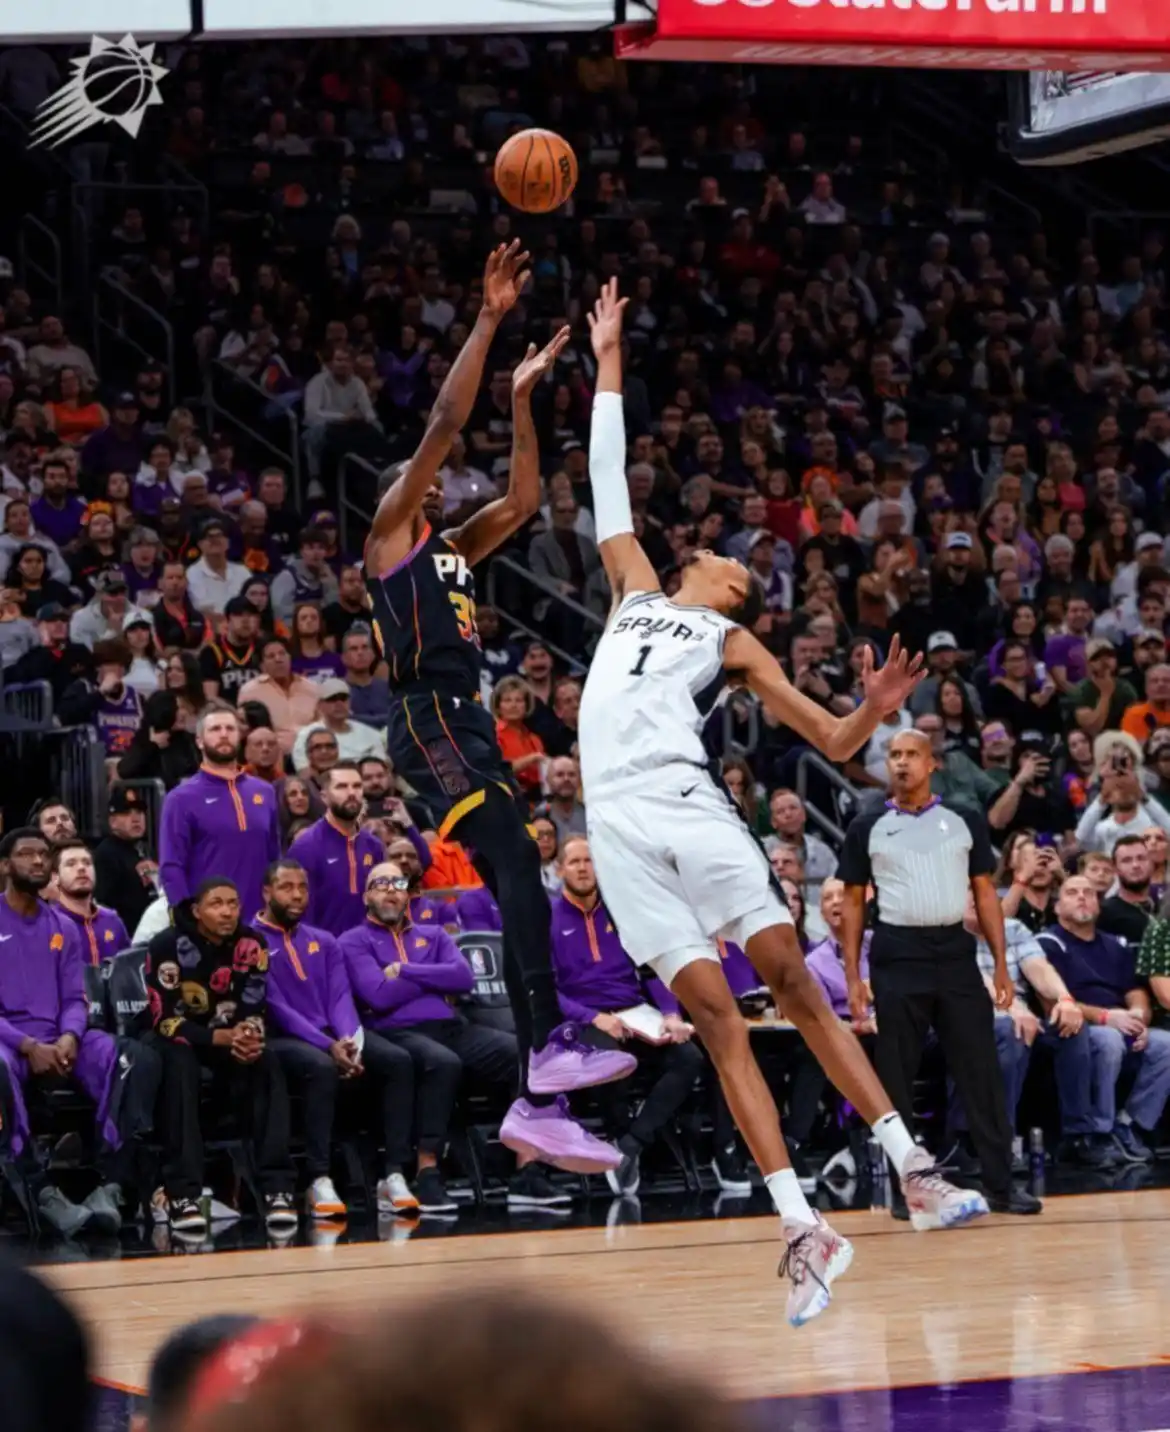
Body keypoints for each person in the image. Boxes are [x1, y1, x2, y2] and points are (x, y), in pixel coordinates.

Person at [577, 279, 982, 1329]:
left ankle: (911, 1165)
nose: (716, 553)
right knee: (716, 1020)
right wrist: (609, 356)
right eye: (716, 551)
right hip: (612, 826)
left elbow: (835, 743)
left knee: (790, 978)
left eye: (726, 561)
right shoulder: (633, 591)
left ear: (731, 590)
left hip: (683, 799)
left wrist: (874, 708)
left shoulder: (731, 637)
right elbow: (606, 479)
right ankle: (802, 1227)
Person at [363, 242, 632, 1174]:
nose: (434, 479)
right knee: (518, 858)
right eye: (419, 475)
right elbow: (443, 420)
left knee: (523, 869)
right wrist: (485, 320)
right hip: (427, 716)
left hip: (463, 719)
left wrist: (521, 401)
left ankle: (536, 1097)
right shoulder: (388, 540)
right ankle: (546, 1051)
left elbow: (520, 499)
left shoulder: (452, 547)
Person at [839, 730, 1042, 1219]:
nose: (901, 762)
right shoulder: (867, 825)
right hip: (896, 952)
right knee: (896, 1074)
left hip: (954, 951)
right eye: (894, 755)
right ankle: (908, 1189)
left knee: (981, 1070)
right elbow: (852, 901)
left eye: (912, 754)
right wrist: (852, 976)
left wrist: (999, 964)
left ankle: (1000, 1184)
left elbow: (985, 894)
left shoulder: (964, 818)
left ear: (932, 764)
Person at [339, 861, 566, 1211]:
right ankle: (427, 1172)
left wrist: (404, 970)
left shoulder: (434, 934)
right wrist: (434, 978)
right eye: (380, 884)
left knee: (527, 1056)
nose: (390, 890)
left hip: (451, 1026)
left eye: (398, 883)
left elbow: (463, 978)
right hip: (396, 1031)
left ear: (409, 894)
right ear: (367, 896)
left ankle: (527, 1169)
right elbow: (378, 995)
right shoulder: (353, 941)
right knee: (442, 1063)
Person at [0, 828, 159, 1237]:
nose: (38, 861)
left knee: (131, 1057)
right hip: (10, 1042)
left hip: (62, 1039)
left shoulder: (63, 927)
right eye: (26, 854)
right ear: (4, 866)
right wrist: (27, 1045)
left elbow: (75, 997)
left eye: (43, 854)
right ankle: (39, 1189)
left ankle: (111, 1185)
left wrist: (70, 1037)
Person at [255, 859, 421, 1220]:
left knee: (397, 1061)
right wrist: (328, 1046)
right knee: (320, 1067)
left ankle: (393, 1174)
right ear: (266, 892)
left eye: (302, 887)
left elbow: (340, 997)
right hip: (283, 1038)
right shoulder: (250, 942)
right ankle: (318, 1178)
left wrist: (349, 1041)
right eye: (286, 887)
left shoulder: (324, 940)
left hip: (334, 1035)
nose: (297, 895)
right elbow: (277, 1008)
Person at [549, 835, 704, 1196]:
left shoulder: (622, 913)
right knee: (613, 1059)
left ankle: (630, 1145)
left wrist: (670, 1013)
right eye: (574, 862)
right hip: (583, 1019)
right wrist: (594, 1018)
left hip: (636, 1012)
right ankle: (622, 1139)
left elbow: (652, 970)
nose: (583, 868)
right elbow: (546, 991)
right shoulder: (546, 919)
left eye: (589, 861)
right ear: (559, 870)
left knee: (690, 1058)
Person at [143, 877, 297, 1234]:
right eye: (216, 904)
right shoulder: (166, 944)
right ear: (197, 910)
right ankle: (183, 1194)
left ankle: (277, 1188)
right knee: (180, 1064)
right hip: (174, 1037)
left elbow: (254, 1006)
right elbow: (163, 1019)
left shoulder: (252, 944)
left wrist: (248, 1036)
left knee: (266, 1061)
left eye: (233, 904)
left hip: (227, 1038)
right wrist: (219, 1037)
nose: (227, 912)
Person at [1037, 875, 1170, 1165]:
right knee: (1108, 1040)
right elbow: (1051, 1003)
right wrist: (1106, 1017)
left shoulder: (1115, 944)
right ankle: (1099, 1133)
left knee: (1167, 1045)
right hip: (1076, 1027)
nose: (1082, 897)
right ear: (1057, 907)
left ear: (1099, 904)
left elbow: (1135, 991)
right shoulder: (1047, 944)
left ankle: (1131, 1125)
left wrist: (1138, 1016)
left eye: (1089, 893)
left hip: (1121, 1022)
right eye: (1072, 892)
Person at [159, 705, 282, 926]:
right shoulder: (180, 798)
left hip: (259, 923)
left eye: (230, 728)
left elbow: (274, 858)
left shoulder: (265, 792)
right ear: (199, 741)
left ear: (240, 736)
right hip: (208, 925)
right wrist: (187, 920)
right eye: (215, 729)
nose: (224, 734)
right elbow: (171, 866)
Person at [290, 763, 384, 936]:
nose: (351, 793)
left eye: (357, 786)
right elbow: (299, 912)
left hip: (369, 945)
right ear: (324, 797)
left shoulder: (374, 846)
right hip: (324, 945)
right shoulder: (306, 846)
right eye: (342, 786)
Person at [52, 841, 130, 963]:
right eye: (71, 864)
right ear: (55, 877)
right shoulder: (48, 925)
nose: (81, 868)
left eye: (87, 863)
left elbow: (129, 968)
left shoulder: (112, 920)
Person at [1097, 832, 1156, 945]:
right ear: (1115, 868)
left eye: (1141, 858)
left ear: (1151, 863)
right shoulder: (1104, 913)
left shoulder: (1164, 905)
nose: (1135, 865)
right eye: (1127, 860)